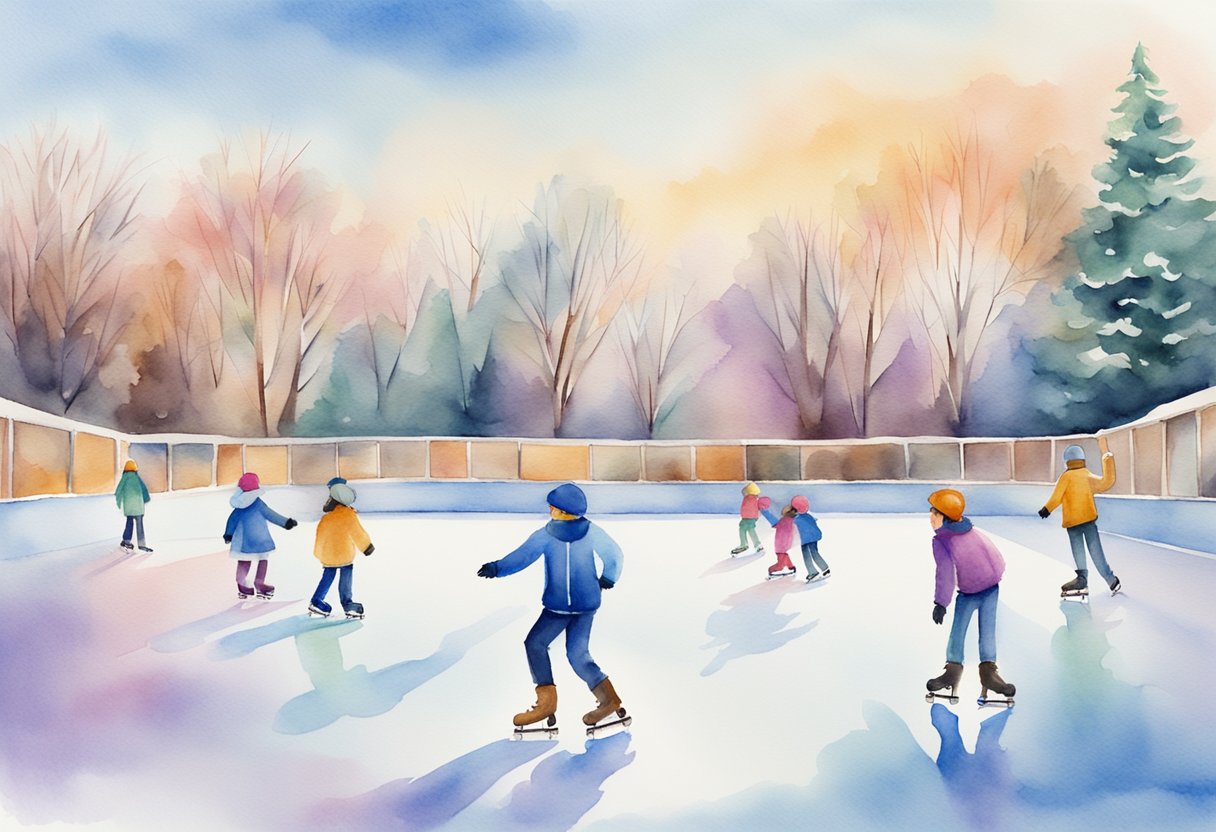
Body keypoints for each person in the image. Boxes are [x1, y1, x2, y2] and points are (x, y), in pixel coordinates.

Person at [476, 483, 625, 731]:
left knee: (570, 653)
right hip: (559, 606)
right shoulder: (547, 534)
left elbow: (614, 555)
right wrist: (498, 568)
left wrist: (609, 577)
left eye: (553, 507)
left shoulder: (588, 532)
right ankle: (547, 703)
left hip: (580, 607)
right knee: (541, 645)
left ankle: (609, 701)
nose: (549, 511)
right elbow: (522, 556)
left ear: (563, 511)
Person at [925, 488, 1016, 700]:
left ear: (946, 518)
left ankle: (969, 672)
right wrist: (994, 576)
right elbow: (996, 556)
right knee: (985, 629)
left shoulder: (942, 541)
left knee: (962, 629)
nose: (930, 518)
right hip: (990, 586)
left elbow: (945, 573)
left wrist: (941, 603)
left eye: (935, 514)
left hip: (975, 591)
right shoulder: (970, 530)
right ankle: (976, 671)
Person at [1038, 436, 1121, 595]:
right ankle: (1111, 580)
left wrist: (1046, 509)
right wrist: (1107, 456)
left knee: (1078, 551)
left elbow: (1057, 497)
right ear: (1082, 459)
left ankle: (1082, 579)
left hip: (1073, 524)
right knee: (1096, 550)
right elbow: (1106, 482)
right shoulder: (1087, 475)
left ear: (1067, 461)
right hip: (1089, 520)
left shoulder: (1066, 477)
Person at [222, 472, 297, 599]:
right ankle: (259, 582)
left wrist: (228, 534)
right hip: (259, 538)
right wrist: (286, 523)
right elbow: (271, 515)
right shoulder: (258, 504)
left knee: (244, 560)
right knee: (262, 559)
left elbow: (232, 520)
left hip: (243, 540)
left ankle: (242, 585)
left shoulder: (239, 506)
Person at [309, 480, 374, 619]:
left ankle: (316, 601)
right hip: (344, 555)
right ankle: (348, 605)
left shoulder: (326, 518)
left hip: (328, 555)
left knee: (328, 576)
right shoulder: (349, 515)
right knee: (346, 578)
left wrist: (318, 553)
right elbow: (358, 533)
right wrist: (367, 547)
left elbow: (320, 537)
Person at [114, 459, 153, 552]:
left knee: (129, 523)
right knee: (140, 525)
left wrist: (119, 503)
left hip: (129, 507)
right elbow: (144, 490)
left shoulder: (125, 478)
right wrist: (146, 499)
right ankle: (142, 544)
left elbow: (118, 491)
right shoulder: (137, 478)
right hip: (139, 507)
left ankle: (126, 541)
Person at [790, 495, 830, 582]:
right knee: (815, 553)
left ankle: (813, 572)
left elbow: (794, 531)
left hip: (805, 540)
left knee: (806, 555)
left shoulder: (796, 519)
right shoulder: (809, 516)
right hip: (814, 538)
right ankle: (825, 569)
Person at [758, 497, 797, 578]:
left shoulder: (785, 520)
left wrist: (771, 569)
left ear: (789, 512)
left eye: (786, 508)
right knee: (783, 554)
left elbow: (773, 521)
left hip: (781, 544)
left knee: (781, 558)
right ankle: (791, 567)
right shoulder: (790, 520)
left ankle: (774, 570)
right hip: (785, 543)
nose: (783, 509)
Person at [730, 482, 765, 555]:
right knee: (747, 529)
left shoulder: (751, 498)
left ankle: (747, 544)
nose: (743, 493)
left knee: (746, 529)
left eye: (745, 491)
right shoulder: (751, 498)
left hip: (749, 517)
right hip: (748, 517)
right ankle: (753, 544)